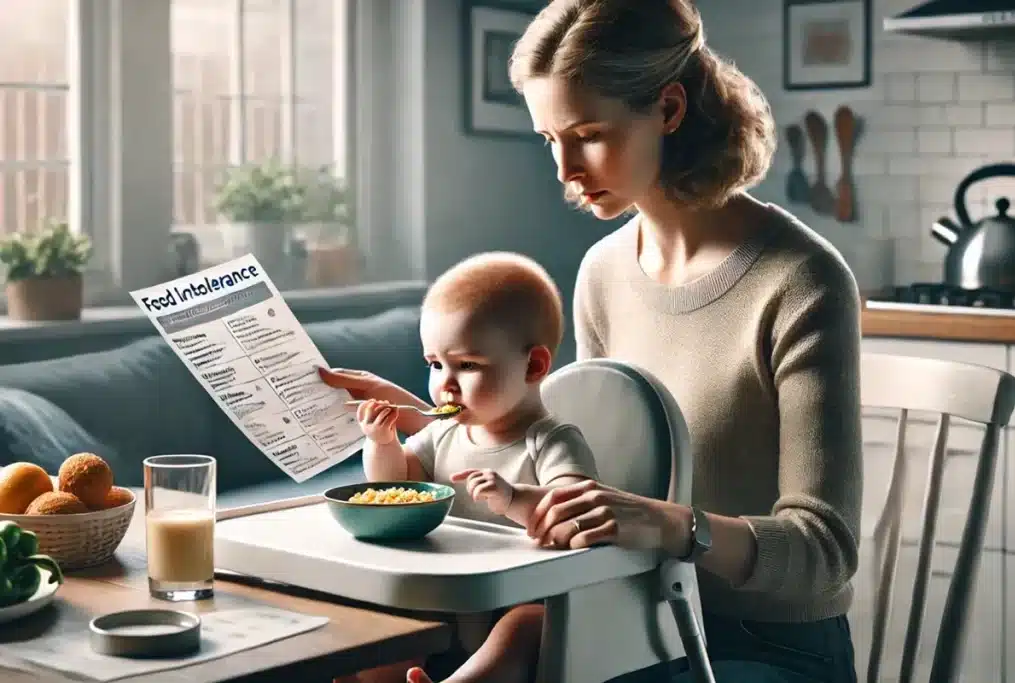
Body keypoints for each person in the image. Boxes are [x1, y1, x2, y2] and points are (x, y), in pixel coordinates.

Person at [320, 1, 864, 681]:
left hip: (762, 644)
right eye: (550, 138)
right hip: (630, 616)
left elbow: (826, 550)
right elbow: (576, 461)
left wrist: (670, 525)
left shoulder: (801, 280)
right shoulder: (603, 272)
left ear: (668, 110)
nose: (564, 168)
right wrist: (435, 413)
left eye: (588, 134)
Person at [329, 251, 601, 683]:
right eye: (435, 364)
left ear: (533, 365)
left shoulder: (551, 440)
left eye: (467, 365)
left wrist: (513, 499)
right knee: (392, 612)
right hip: (448, 589)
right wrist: (382, 442)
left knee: (525, 627)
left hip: (526, 595)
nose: (445, 384)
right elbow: (396, 483)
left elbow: (574, 509)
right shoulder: (445, 433)